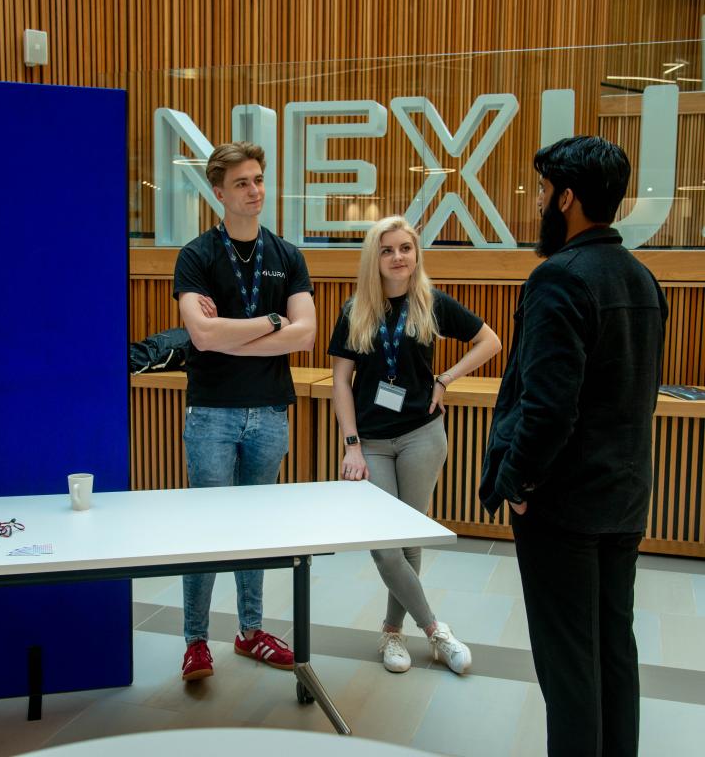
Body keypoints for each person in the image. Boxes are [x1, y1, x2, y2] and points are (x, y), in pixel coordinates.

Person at [479, 136, 668, 756]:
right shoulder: (641, 278)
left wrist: (520, 483)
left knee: (568, 666)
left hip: (563, 503)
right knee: (614, 645)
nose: (536, 201)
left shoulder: (558, 278)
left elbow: (549, 406)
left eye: (541, 190)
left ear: (566, 198)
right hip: (624, 496)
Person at [328, 215, 501, 674]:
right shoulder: (355, 310)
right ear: (374, 258)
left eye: (405, 248)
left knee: (410, 536)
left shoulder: (431, 302)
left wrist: (446, 378)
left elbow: (490, 341)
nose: (398, 257)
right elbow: (341, 383)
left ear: (415, 253)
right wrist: (351, 445)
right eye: (387, 250)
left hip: (423, 435)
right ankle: (435, 630)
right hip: (372, 441)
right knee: (385, 545)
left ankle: (391, 633)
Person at [173, 141, 316, 681]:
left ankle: (250, 631)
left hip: (270, 412)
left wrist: (231, 335)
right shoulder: (196, 255)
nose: (255, 191)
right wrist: (273, 324)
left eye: (258, 179)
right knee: (207, 531)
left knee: (255, 529)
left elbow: (305, 337)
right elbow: (200, 334)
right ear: (218, 193)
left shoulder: (287, 255)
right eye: (241, 183)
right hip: (212, 411)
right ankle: (195, 642)